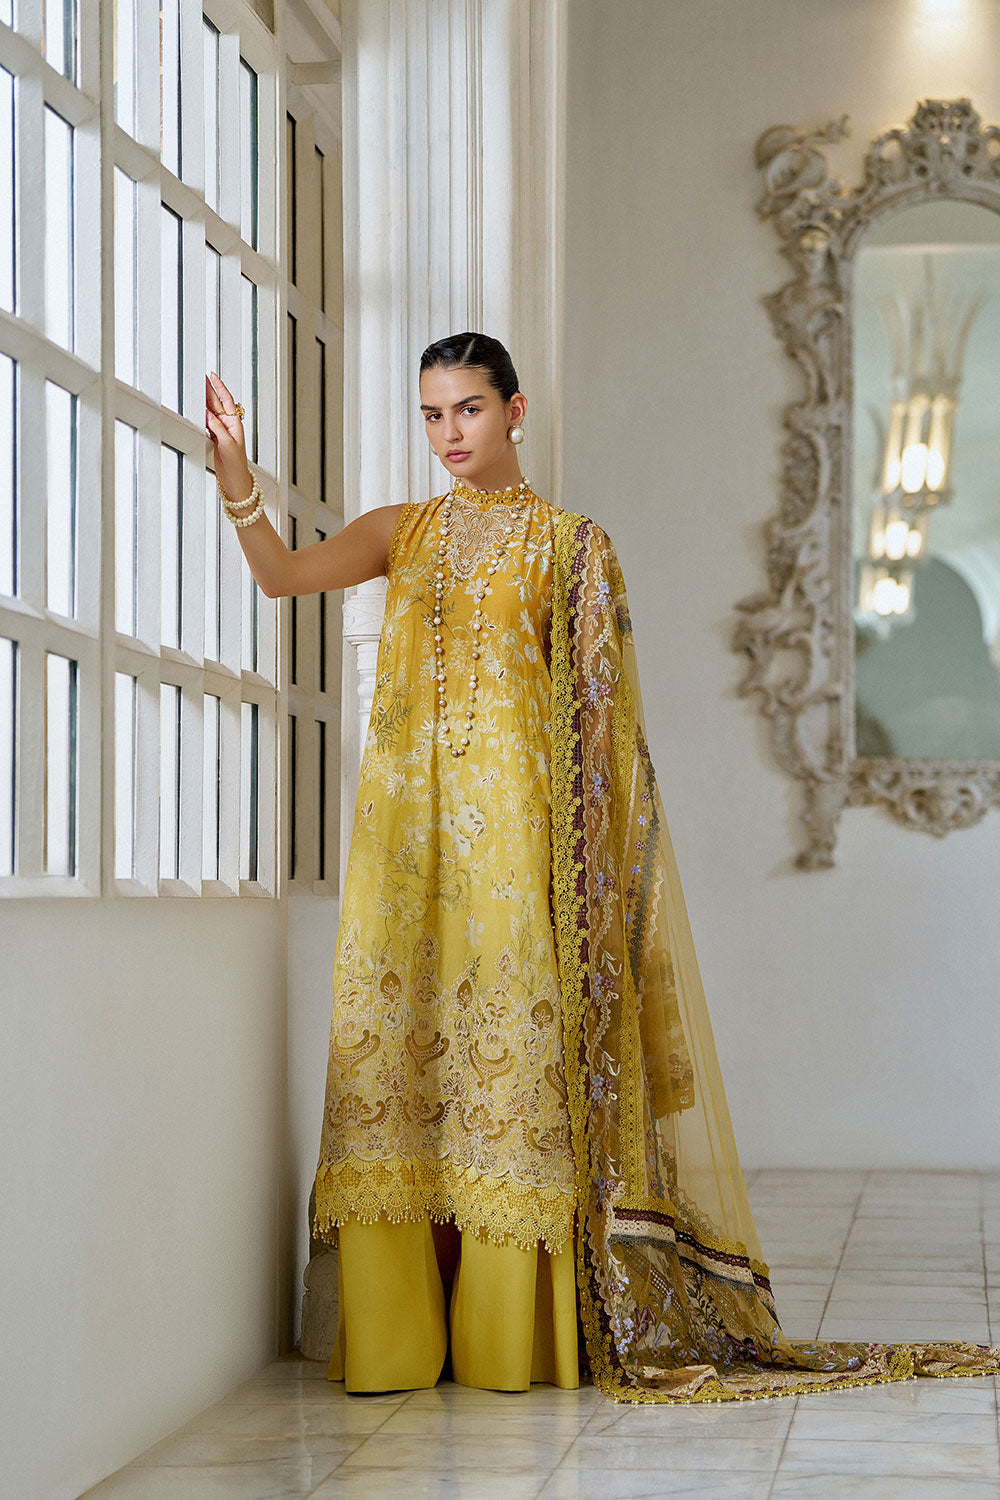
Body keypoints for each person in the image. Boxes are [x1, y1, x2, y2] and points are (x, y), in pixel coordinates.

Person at [206, 332, 1000, 1403]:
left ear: (515, 410)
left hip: (516, 850)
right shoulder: (401, 531)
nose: (449, 433)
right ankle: (397, 1339)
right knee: (398, 1063)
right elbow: (283, 577)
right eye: (433, 414)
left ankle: (508, 1341)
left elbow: (606, 731)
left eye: (469, 409)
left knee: (508, 1069)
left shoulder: (572, 547)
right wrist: (238, 480)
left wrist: (585, 880)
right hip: (400, 848)